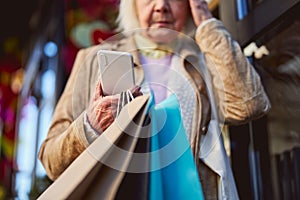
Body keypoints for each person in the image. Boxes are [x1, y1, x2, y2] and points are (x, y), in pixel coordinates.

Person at [39, 0, 271, 199]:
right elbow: (51, 161)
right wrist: (90, 126)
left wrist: (206, 21)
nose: (161, 6)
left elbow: (248, 105)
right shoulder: (91, 61)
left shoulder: (207, 57)